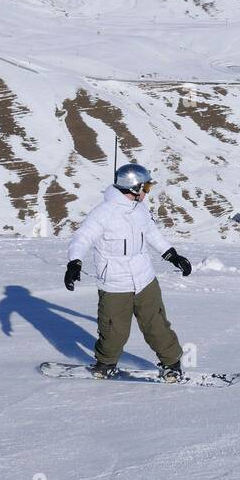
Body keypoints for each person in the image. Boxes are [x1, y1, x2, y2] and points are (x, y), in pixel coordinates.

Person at [63, 163, 192, 381]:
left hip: (145, 280)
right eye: (146, 188)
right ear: (134, 189)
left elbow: (152, 233)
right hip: (114, 284)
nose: (147, 193)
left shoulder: (140, 209)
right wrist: (74, 263)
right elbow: (81, 238)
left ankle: (172, 364)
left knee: (157, 326)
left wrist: (172, 255)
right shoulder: (103, 214)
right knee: (114, 331)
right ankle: (105, 364)